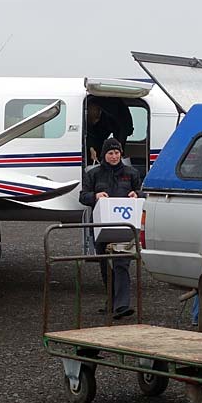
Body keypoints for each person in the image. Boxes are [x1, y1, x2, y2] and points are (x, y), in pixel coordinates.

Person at [78, 136, 142, 319]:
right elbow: (83, 196)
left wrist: (136, 194)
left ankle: (122, 305)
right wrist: (95, 196)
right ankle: (111, 301)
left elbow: (142, 191)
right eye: (110, 153)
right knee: (105, 265)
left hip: (124, 226)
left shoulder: (131, 173)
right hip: (101, 226)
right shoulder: (93, 174)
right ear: (104, 154)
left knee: (122, 262)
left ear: (121, 154)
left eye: (117, 153)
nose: (114, 156)